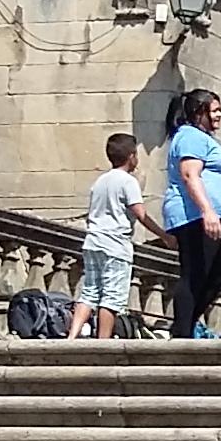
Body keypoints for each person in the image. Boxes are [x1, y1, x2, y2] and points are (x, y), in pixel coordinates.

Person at [159, 89, 221, 340]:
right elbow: (189, 175)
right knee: (196, 274)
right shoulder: (191, 137)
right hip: (194, 217)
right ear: (199, 113)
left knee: (215, 277)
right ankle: (182, 333)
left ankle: (185, 327)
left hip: (207, 217)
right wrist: (207, 211)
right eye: (214, 110)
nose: (219, 116)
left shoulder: (199, 137)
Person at [68, 133, 157, 338]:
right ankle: (103, 341)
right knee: (112, 297)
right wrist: (165, 236)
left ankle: (72, 336)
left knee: (89, 291)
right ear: (132, 156)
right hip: (115, 245)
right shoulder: (128, 182)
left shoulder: (100, 182)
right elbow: (140, 213)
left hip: (93, 241)